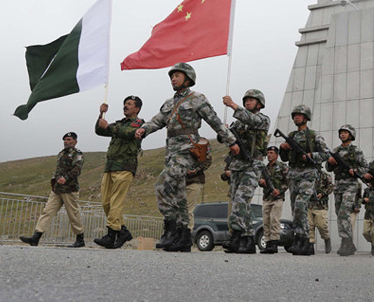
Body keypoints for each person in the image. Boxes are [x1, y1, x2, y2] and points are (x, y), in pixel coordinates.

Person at [135, 63, 237, 253]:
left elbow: (214, 120)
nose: (173, 79)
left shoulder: (197, 98)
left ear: (188, 79)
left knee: (162, 185)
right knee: (179, 193)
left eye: (177, 75)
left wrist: (231, 141)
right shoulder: (169, 103)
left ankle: (170, 228)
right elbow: (158, 120)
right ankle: (183, 236)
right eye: (171, 76)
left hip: (187, 150)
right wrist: (144, 129)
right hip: (171, 151)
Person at [220, 89, 270, 254]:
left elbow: (251, 120)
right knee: (240, 203)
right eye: (246, 100)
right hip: (237, 165)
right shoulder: (238, 123)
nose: (248, 102)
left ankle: (235, 237)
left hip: (252, 165)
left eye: (251, 100)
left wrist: (233, 105)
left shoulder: (263, 119)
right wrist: (224, 132)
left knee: (241, 199)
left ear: (259, 104)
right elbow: (225, 138)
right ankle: (247, 240)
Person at [93, 97, 145, 249]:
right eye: (125, 104)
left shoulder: (139, 124)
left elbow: (129, 133)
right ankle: (123, 231)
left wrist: (109, 127)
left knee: (116, 202)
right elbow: (99, 131)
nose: (125, 106)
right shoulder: (119, 124)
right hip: (110, 166)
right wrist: (101, 115)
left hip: (125, 167)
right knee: (106, 203)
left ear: (137, 109)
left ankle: (111, 235)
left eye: (129, 104)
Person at [278, 104, 329, 255]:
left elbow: (326, 154)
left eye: (299, 115)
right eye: (294, 115)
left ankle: (306, 240)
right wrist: (283, 148)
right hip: (294, 174)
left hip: (308, 173)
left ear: (306, 118)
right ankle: (299, 239)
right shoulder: (291, 136)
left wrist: (311, 156)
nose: (296, 117)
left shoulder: (313, 135)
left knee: (301, 204)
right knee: (295, 208)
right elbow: (285, 158)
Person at [20, 132, 85, 248]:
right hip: (57, 189)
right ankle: (36, 237)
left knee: (73, 214)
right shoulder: (61, 154)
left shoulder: (77, 153)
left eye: (69, 139)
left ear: (75, 141)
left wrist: (66, 177)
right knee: (47, 211)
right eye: (65, 139)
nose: (66, 141)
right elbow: (58, 169)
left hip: (69, 189)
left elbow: (77, 169)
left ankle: (80, 239)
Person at [326, 124, 368, 256]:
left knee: (344, 213)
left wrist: (355, 171)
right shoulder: (336, 150)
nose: (342, 134)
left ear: (351, 135)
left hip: (350, 185)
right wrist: (329, 162)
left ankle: (345, 241)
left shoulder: (356, 151)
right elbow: (328, 168)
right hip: (338, 185)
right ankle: (349, 242)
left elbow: (365, 167)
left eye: (345, 132)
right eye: (341, 132)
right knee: (339, 214)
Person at [259, 145, 289, 254]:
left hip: (277, 198)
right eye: (268, 153)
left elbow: (288, 182)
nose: (269, 155)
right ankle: (268, 242)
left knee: (274, 220)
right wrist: (261, 182)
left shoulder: (282, 167)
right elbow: (260, 179)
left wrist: (280, 190)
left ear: (276, 155)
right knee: (266, 221)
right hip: (267, 197)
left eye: (271, 153)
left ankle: (274, 243)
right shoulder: (265, 168)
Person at [307, 170, 334, 254]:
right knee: (309, 226)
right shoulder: (307, 175)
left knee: (321, 225)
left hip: (320, 205)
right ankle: (310, 244)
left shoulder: (325, 176)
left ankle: (327, 239)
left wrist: (322, 193)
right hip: (308, 204)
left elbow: (331, 187)